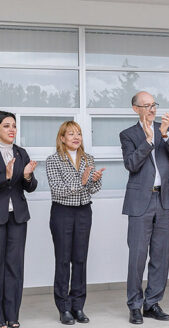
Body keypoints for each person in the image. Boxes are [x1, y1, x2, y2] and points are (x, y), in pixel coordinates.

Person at [120, 91, 169, 324]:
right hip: (140, 202)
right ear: (135, 109)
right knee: (137, 256)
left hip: (165, 200)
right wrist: (148, 142)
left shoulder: (165, 129)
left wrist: (165, 136)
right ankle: (135, 305)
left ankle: (152, 303)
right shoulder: (128, 134)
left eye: (154, 104)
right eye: (146, 105)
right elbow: (131, 164)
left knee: (161, 254)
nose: (151, 109)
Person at [46, 121, 105, 325]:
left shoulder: (88, 159)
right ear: (62, 138)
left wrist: (95, 179)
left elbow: (93, 189)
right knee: (63, 260)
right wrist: (82, 182)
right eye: (70, 133)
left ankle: (78, 306)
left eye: (78, 133)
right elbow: (57, 189)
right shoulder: (53, 160)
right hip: (62, 212)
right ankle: (63, 308)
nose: (76, 137)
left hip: (83, 211)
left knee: (80, 259)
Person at [0, 111, 37, 328]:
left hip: (18, 217)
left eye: (13, 125)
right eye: (6, 126)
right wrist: (5, 176)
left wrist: (27, 176)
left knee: (15, 267)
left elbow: (30, 188)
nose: (12, 129)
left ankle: (12, 316)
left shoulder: (21, 152)